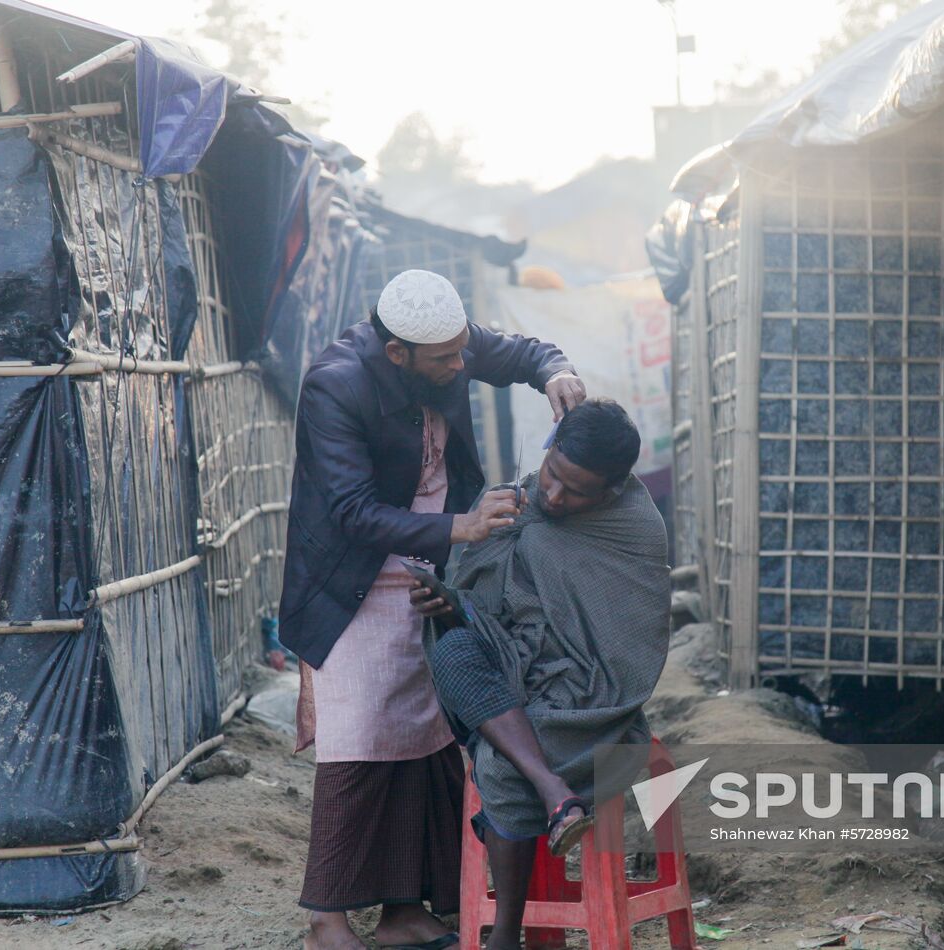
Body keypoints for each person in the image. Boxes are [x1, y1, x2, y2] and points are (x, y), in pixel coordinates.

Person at [279, 269, 587, 950]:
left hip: (433, 569)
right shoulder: (335, 385)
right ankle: (325, 922)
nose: (461, 365)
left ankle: (402, 912)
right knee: (358, 740)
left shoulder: (446, 340)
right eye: (448, 361)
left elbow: (519, 353)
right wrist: (465, 529)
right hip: (352, 578)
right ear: (398, 355)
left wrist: (555, 370)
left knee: (425, 741)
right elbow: (351, 512)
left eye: (460, 352)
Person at [411, 399, 671, 950]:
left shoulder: (631, 527)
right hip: (515, 681)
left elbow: (624, 643)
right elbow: (485, 614)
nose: (554, 496)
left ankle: (504, 935)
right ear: (548, 447)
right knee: (452, 650)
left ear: (612, 490)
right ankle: (554, 791)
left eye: (577, 491)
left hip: (593, 698)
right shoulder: (509, 506)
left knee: (503, 767)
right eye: (552, 474)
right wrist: (450, 603)